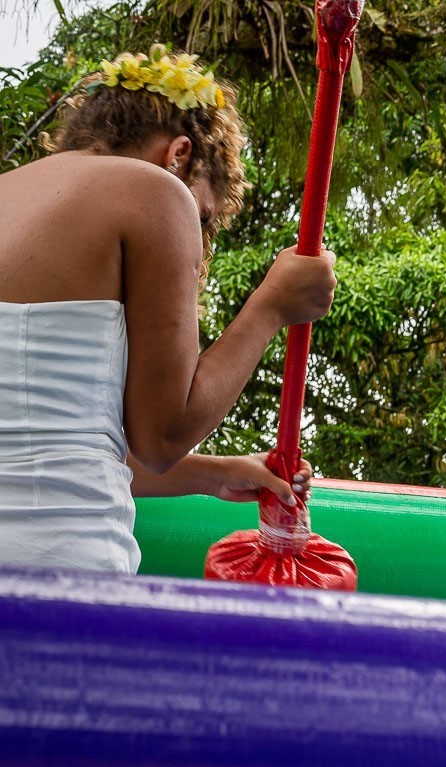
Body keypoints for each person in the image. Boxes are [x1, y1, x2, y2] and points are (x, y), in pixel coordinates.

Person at [0, 46, 336, 573]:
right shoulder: (154, 190)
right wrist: (272, 306)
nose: (197, 240)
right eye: (202, 216)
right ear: (179, 154)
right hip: (58, 566)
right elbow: (160, 439)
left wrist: (211, 474)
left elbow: (33, 441)